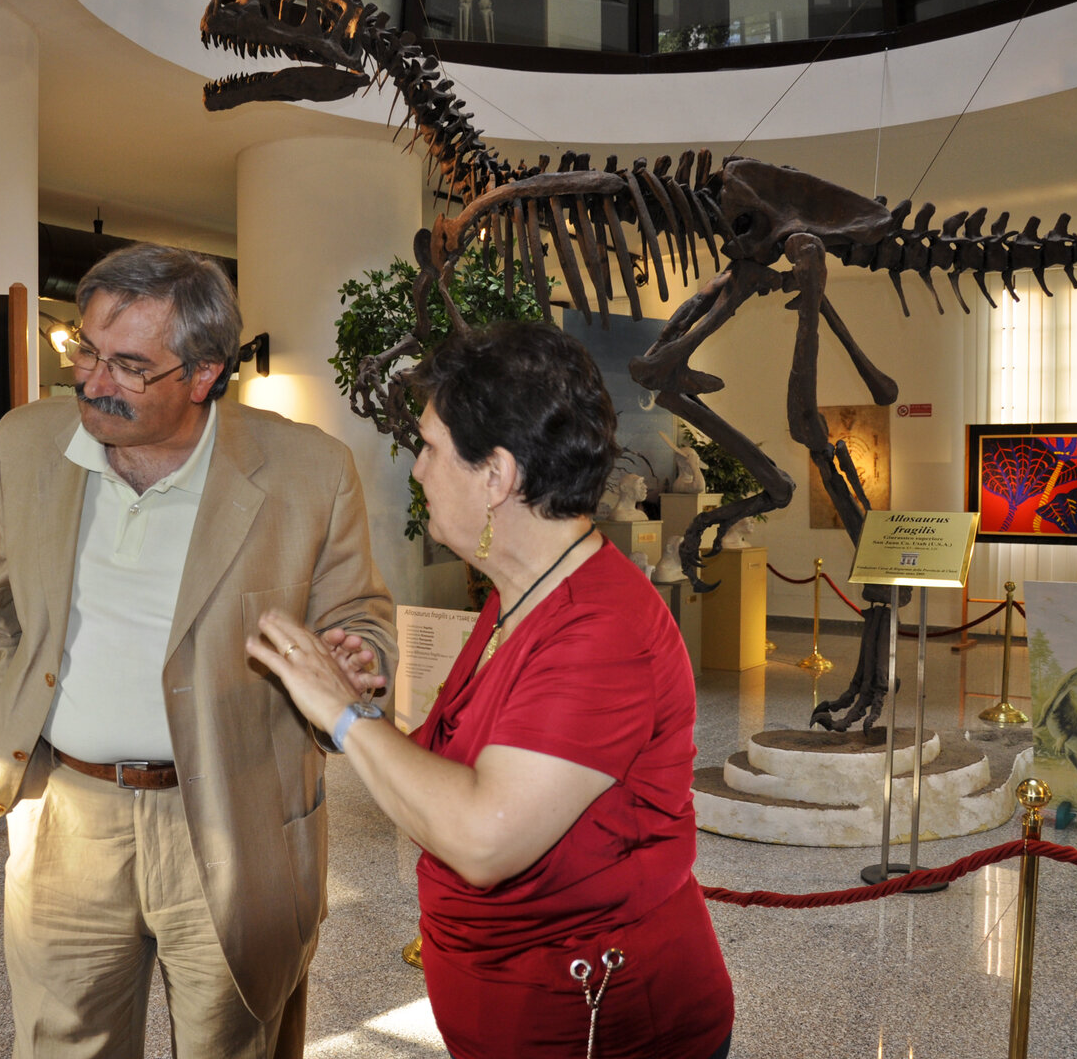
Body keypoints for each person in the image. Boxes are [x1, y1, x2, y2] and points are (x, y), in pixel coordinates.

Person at [248, 322, 734, 1059]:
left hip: (604, 1023)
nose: (418, 471)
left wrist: (343, 715)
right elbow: (453, 780)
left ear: (496, 475)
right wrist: (364, 708)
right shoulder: (521, 595)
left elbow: (483, 838)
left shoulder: (602, 629)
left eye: (430, 448)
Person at [0, 243, 395, 1059]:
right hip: (66, 817)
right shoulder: (25, 442)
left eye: (129, 366)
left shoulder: (308, 470)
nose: (93, 381)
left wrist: (358, 660)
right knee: (60, 1044)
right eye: (85, 350)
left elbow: (359, 617)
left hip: (233, 819)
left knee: (233, 1042)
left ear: (203, 375)